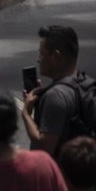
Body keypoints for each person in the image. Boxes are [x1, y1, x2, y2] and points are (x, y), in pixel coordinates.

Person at [23, 25, 85, 157]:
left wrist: (26, 114)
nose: (38, 59)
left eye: (42, 54)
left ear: (56, 56)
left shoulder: (55, 96)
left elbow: (45, 147)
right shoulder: (84, 84)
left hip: (62, 175)